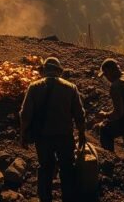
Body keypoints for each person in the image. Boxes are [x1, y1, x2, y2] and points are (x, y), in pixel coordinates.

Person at [19, 57, 87, 202]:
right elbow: (79, 115)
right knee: (67, 168)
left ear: (44, 70)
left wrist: (23, 134)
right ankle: (68, 197)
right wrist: (82, 133)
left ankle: (45, 198)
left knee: (45, 168)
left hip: (43, 138)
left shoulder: (34, 87)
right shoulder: (71, 88)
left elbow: (25, 115)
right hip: (65, 136)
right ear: (59, 71)